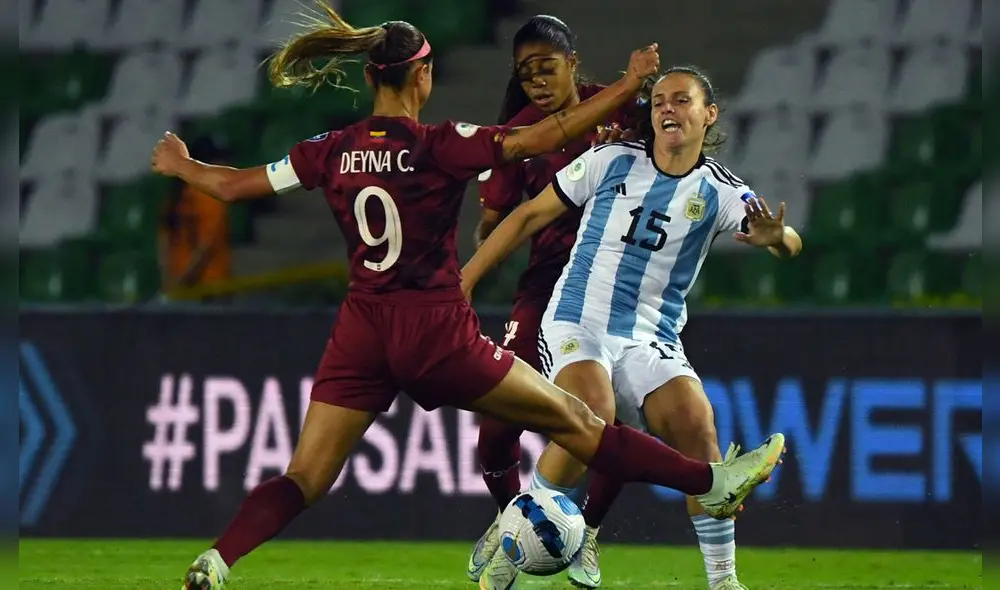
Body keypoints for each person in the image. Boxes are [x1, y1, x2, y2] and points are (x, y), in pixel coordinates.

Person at [148, 4, 783, 588]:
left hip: (363, 334)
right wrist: (626, 86)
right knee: (582, 422)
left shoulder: (330, 150)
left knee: (305, 477)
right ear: (421, 77)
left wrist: (181, 166)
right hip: (436, 333)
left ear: (372, 76)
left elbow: (232, 188)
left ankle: (219, 558)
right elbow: (538, 138)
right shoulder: (440, 143)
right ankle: (709, 479)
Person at [462, 66, 803, 590]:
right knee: (592, 415)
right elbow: (529, 216)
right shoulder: (612, 160)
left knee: (697, 427)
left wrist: (778, 238)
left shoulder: (719, 189)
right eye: (660, 100)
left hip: (652, 337)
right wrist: (465, 280)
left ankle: (724, 581)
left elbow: (788, 242)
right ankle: (515, 542)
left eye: (681, 100)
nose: (667, 108)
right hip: (579, 320)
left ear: (708, 114)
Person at [465, 15, 638, 588]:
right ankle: (510, 524)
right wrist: (480, 255)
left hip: (612, 289)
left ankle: (585, 535)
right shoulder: (514, 137)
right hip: (542, 288)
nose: (538, 81)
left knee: (607, 424)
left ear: (573, 62)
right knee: (496, 424)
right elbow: (490, 224)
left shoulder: (619, 113)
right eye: (526, 73)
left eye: (547, 67)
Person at [158, 137, 232, 295]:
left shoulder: (176, 191)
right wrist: (180, 282)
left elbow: (163, 242)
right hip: (207, 287)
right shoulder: (210, 195)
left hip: (180, 284)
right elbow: (206, 247)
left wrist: (170, 281)